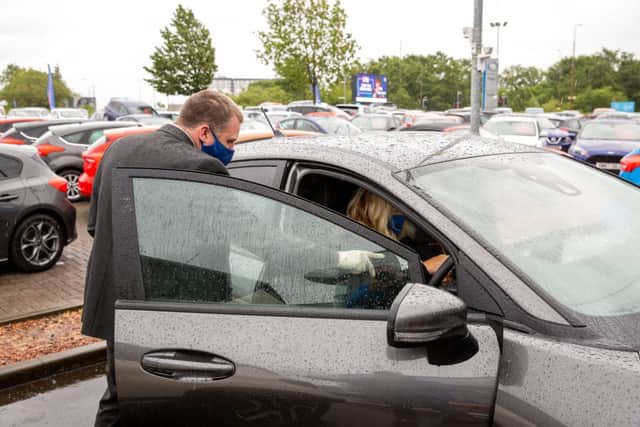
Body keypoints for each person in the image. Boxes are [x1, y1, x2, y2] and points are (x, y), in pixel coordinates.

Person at [83, 90, 381, 426]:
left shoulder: (119, 149)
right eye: (230, 140)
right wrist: (339, 258)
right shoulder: (199, 165)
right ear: (205, 132)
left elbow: (95, 225)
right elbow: (258, 239)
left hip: (118, 303)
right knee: (178, 402)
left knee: (120, 397)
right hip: (172, 308)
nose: (232, 151)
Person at [346, 188, 451, 278]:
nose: (401, 216)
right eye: (395, 210)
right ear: (376, 215)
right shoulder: (362, 251)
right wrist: (426, 268)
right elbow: (384, 284)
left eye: (401, 211)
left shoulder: (406, 243)